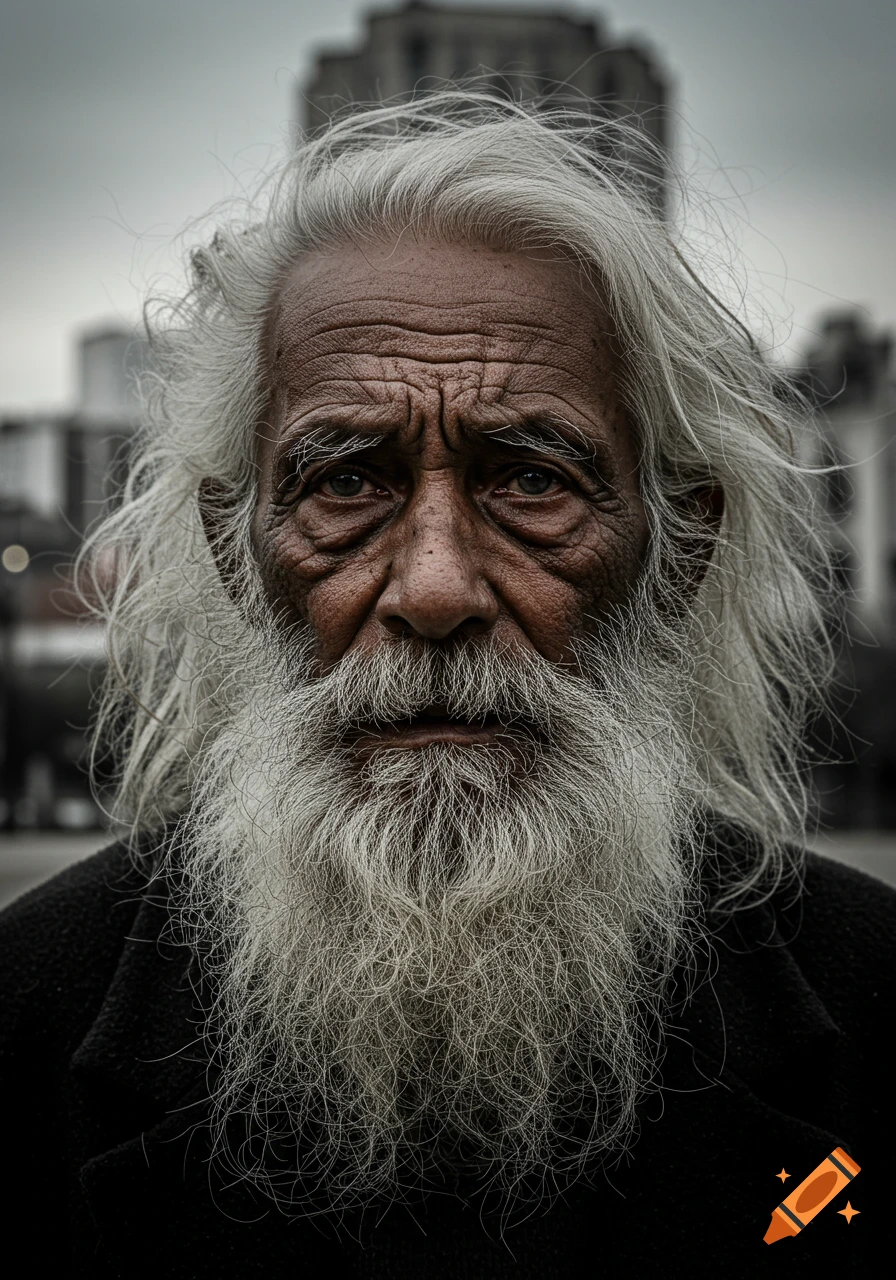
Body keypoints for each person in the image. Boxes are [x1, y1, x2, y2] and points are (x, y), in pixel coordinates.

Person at [1, 93, 892, 1277]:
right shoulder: (22, 1021)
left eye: (530, 479)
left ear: (674, 551)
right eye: (343, 481)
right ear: (235, 550)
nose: (432, 587)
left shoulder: (874, 1006)